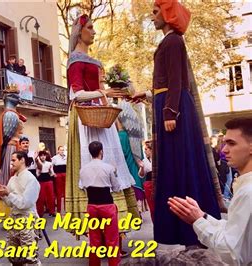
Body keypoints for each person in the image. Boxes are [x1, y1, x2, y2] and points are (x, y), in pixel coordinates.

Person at [130, 0, 221, 246]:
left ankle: (186, 228)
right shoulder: (170, 41)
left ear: (168, 13)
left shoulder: (173, 41)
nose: (152, 17)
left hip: (173, 108)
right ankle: (181, 227)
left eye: (155, 11)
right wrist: (148, 96)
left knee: (179, 164)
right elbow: (167, 82)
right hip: (169, 105)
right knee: (176, 164)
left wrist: (170, 111)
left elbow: (176, 81)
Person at [65, 13, 137, 227]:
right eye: (90, 28)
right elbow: (76, 94)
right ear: (80, 32)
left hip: (100, 113)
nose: (94, 31)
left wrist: (118, 91)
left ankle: (117, 228)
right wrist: (103, 92)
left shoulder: (92, 61)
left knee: (112, 161)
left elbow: (99, 91)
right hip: (86, 116)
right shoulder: (75, 60)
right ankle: (102, 229)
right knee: (96, 163)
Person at [168, 118, 252, 265]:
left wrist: (198, 221)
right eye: (225, 143)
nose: (224, 149)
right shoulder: (245, 187)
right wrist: (202, 216)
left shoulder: (248, 192)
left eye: (231, 143)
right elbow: (236, 232)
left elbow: (231, 253)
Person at [0, 151, 41, 265]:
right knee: (14, 256)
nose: (11, 163)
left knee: (30, 257)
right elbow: (11, 204)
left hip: (27, 218)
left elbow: (24, 204)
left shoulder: (31, 179)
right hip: (14, 218)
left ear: (22, 160)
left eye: (14, 160)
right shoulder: (12, 179)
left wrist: (8, 194)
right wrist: (3, 195)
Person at [79, 141, 121, 266]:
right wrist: (116, 173)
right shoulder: (108, 168)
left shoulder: (83, 169)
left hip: (92, 206)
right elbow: (117, 188)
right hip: (107, 205)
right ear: (101, 151)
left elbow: (81, 186)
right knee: (112, 239)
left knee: (94, 239)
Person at [0, 86, 27, 218]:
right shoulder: (10, 115)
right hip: (11, 148)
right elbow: (6, 137)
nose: (18, 98)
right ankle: (9, 212)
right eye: (15, 96)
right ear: (9, 98)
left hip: (13, 147)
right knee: (10, 177)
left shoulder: (11, 114)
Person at [35, 150, 56, 217]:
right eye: (41, 156)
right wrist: (40, 170)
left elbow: (52, 172)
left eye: (44, 155)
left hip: (48, 180)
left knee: (51, 196)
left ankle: (52, 211)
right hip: (41, 181)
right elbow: (37, 174)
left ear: (46, 156)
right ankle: (40, 212)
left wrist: (53, 174)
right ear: (39, 157)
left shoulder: (49, 163)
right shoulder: (38, 164)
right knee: (41, 197)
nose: (43, 157)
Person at [138, 140, 154, 221]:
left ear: (151, 149)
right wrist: (142, 167)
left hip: (158, 183)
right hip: (149, 184)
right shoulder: (144, 161)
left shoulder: (159, 158)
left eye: (146, 149)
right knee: (152, 206)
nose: (145, 151)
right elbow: (141, 175)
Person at [52, 146, 67, 213]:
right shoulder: (55, 158)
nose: (62, 151)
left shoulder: (66, 157)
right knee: (59, 193)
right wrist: (53, 173)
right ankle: (59, 210)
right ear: (58, 151)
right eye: (60, 150)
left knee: (66, 192)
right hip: (58, 175)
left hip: (65, 174)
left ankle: (66, 208)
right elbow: (51, 166)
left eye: (63, 150)